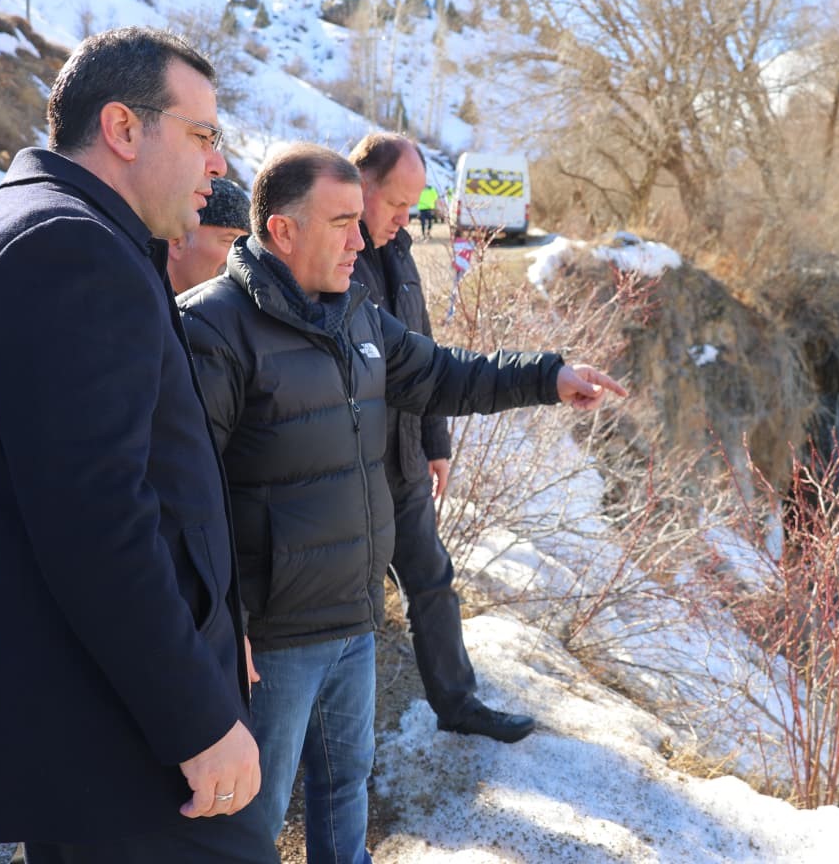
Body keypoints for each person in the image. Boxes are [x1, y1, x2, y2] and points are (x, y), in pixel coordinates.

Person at [179, 142, 625, 863]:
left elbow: (446, 374)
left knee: (343, 788)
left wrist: (548, 376)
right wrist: (225, 627)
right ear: (283, 231)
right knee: (249, 825)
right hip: (273, 640)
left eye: (362, 220)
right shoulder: (210, 330)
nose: (362, 240)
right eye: (341, 222)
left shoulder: (355, 312)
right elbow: (183, 502)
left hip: (354, 618)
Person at [0, 26, 273, 862]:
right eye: (202, 136)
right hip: (120, 738)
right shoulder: (69, 250)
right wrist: (197, 718)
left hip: (93, 714)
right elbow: (96, 521)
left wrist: (215, 625)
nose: (218, 165)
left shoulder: (38, 230)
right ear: (124, 129)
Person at [349, 132, 537, 743]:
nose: (408, 218)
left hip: (402, 461)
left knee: (431, 580)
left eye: (412, 205)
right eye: (397, 204)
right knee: (349, 609)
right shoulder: (333, 252)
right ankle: (332, 736)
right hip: (347, 470)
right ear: (361, 187)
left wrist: (436, 443)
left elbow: (423, 356)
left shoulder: (400, 251)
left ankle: (457, 705)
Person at [167, 175, 251, 293]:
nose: (241, 259)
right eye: (229, 242)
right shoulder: (137, 302)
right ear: (176, 241)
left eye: (245, 247)